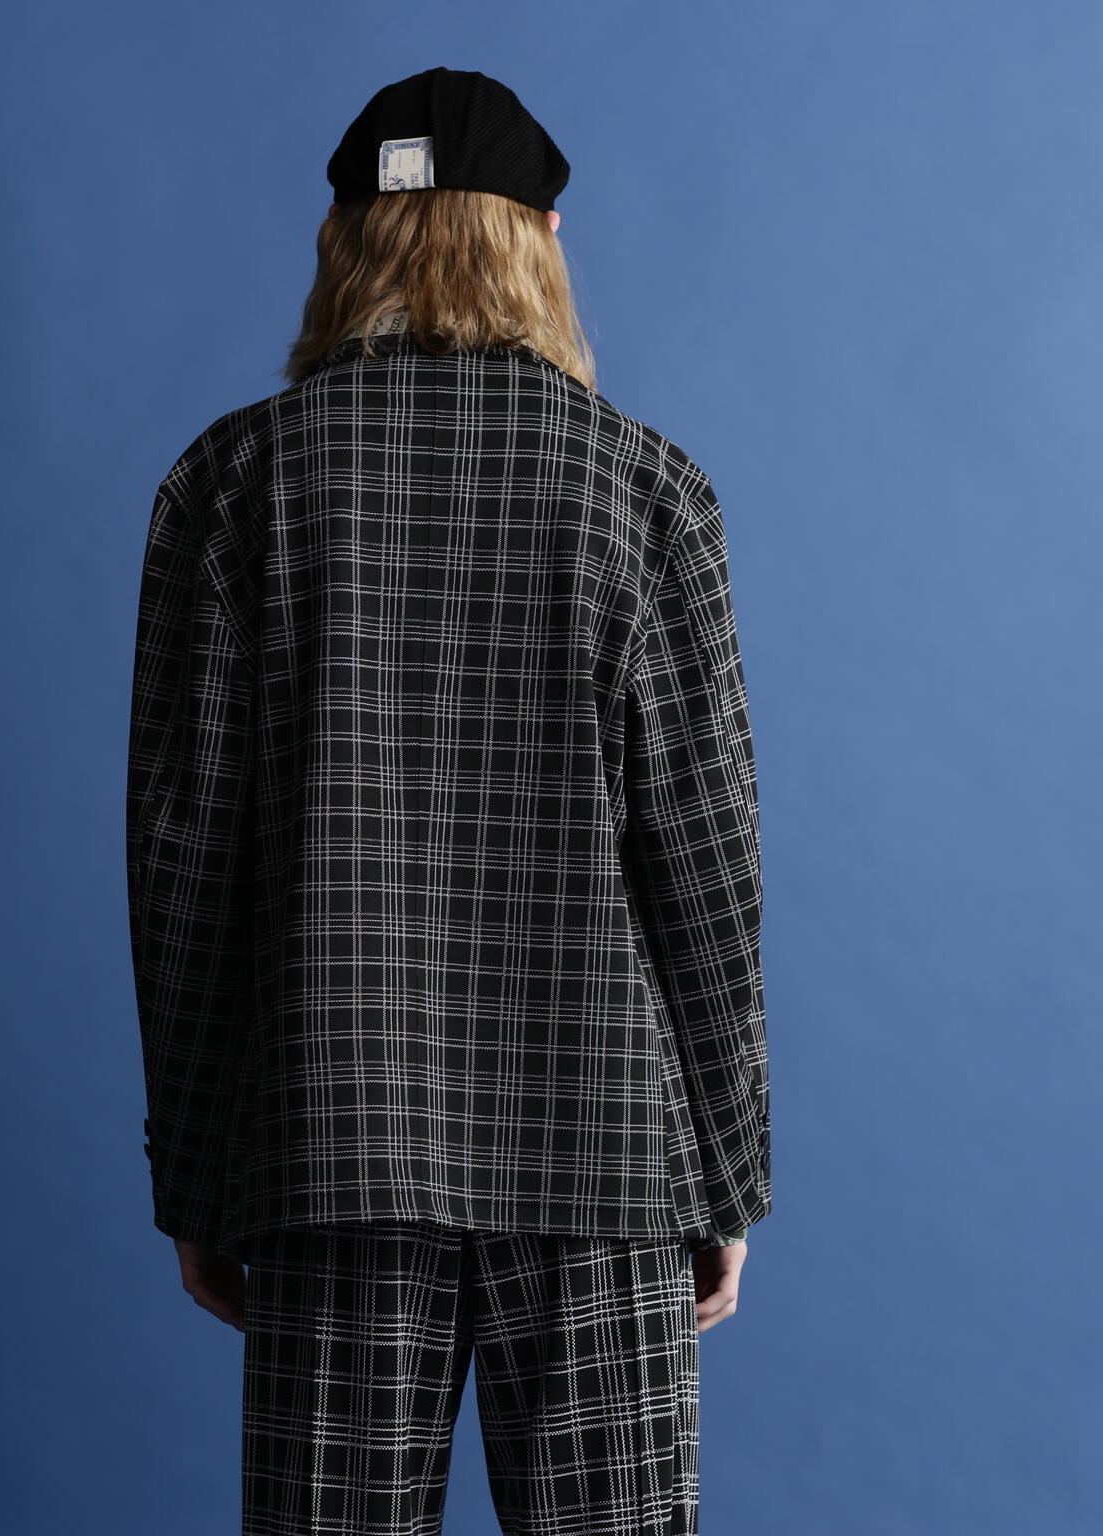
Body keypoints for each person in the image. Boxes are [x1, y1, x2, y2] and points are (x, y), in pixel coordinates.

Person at [126, 64, 770, 1536]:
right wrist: (727, 1176)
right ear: (541, 236)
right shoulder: (645, 491)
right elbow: (706, 862)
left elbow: (182, 864)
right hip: (604, 1149)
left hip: (327, 1140)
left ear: (343, 239)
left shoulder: (232, 486)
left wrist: (199, 1179)